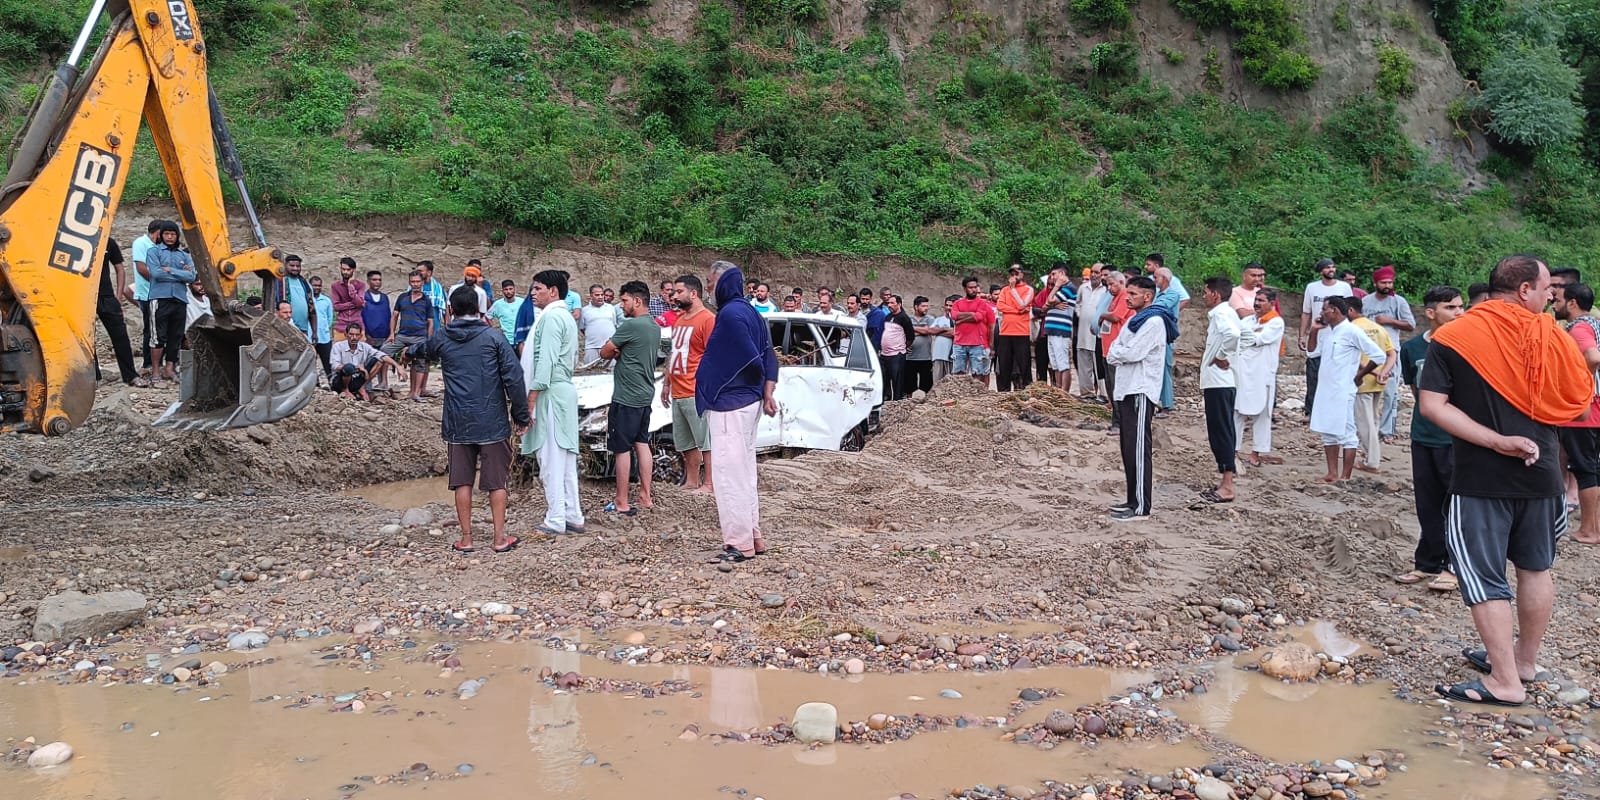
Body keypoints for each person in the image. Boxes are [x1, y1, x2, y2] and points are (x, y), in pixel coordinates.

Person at [1419, 254, 1591, 707]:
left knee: (1483, 575)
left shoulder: (1454, 336)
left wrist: (1496, 440)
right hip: (1544, 475)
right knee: (1536, 568)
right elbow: (1576, 405)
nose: (1552, 296)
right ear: (1523, 291)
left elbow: (1433, 407)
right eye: (1545, 288)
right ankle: (1525, 662)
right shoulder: (1551, 337)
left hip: (1480, 475)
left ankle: (1505, 681)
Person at [405, 286, 529, 553]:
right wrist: (521, 416)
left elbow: (422, 349)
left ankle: (467, 539)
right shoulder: (494, 338)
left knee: (462, 481)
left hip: (458, 421)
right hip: (492, 420)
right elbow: (514, 378)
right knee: (497, 481)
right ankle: (499, 539)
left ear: (451, 310)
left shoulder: (443, 337)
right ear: (478, 309)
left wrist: (407, 352)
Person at [697, 261, 778, 563]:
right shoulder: (751, 311)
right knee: (744, 473)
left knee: (729, 476)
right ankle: (753, 535)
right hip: (749, 402)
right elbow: (769, 354)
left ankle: (737, 543)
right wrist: (766, 391)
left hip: (730, 403)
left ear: (722, 282)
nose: (707, 288)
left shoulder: (730, 314)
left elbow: (751, 357)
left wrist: (755, 380)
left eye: (709, 282)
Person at [1396, 285, 1464, 592]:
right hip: (1423, 434)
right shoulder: (1412, 349)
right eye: (1450, 308)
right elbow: (1417, 391)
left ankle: (1454, 565)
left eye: (1460, 307)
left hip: (1455, 438)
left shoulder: (1466, 346)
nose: (1458, 313)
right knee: (1427, 502)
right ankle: (1427, 562)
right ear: (1430, 312)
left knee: (1455, 503)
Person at [521, 270, 585, 537]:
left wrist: (531, 398)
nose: (533, 293)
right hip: (562, 392)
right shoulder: (565, 317)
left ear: (553, 292)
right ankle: (573, 515)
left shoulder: (551, 318)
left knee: (550, 459)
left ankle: (556, 518)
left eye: (538, 288)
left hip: (550, 394)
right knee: (565, 458)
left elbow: (545, 361)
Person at [1106, 276, 1172, 520]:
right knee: (1128, 449)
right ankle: (1132, 500)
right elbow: (1114, 349)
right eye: (1128, 292)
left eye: (1133, 293)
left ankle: (1142, 506)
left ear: (1148, 296)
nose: (1128, 297)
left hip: (1141, 390)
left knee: (1139, 449)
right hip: (1126, 389)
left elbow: (1132, 352)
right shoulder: (1135, 320)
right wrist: (1120, 352)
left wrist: (1120, 352)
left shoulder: (1154, 322)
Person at [1308, 296, 1387, 483]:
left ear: (1334, 310)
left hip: (1343, 390)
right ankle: (1331, 473)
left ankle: (1345, 476)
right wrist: (1313, 330)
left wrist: (1360, 375)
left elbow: (1378, 355)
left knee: (1347, 432)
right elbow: (1311, 352)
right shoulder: (1328, 332)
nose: (1321, 313)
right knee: (1328, 431)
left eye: (1324, 309)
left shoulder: (1352, 331)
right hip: (1326, 389)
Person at [600, 281, 660, 516]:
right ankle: (645, 495)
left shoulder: (631, 326)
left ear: (637, 300)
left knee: (621, 448)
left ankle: (622, 501)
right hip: (645, 394)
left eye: (624, 300)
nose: (621, 305)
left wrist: (616, 352)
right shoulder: (653, 326)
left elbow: (605, 351)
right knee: (642, 443)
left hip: (626, 396)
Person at [1553, 283, 1600, 545]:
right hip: (1594, 407)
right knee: (1593, 467)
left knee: (1585, 469)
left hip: (1585, 411)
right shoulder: (1595, 325)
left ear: (1572, 303)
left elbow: (1592, 357)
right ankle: (1594, 527)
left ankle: (1590, 530)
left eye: (1558, 300)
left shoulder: (1579, 328)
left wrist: (1580, 383)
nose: (1554, 304)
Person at [664, 274, 717, 493]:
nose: (675, 296)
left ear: (693, 293)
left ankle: (709, 483)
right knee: (686, 442)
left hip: (696, 389)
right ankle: (692, 480)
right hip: (678, 389)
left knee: (705, 441)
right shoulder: (679, 319)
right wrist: (667, 382)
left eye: (679, 292)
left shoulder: (707, 319)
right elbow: (674, 352)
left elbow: (713, 356)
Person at [1199, 276, 1242, 502]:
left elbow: (1234, 335)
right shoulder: (1228, 313)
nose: (1204, 296)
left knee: (1221, 432)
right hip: (1220, 381)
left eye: (1206, 292)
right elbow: (1243, 335)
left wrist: (1221, 356)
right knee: (1222, 430)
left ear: (1215, 294)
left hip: (1219, 381)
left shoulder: (1221, 313)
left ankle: (1227, 485)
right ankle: (1225, 481)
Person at [1363, 266, 1416, 444]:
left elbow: (1411, 325)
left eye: (1390, 282)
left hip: (1391, 352)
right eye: (1383, 282)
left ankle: (1387, 430)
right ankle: (1367, 427)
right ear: (1375, 283)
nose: (1387, 285)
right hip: (1368, 352)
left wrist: (1390, 321)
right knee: (1365, 391)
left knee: (1390, 393)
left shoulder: (1398, 301)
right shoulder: (1365, 301)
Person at [1235, 288, 1284, 467]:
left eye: (1261, 300)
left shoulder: (1276, 323)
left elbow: (1256, 339)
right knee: (1237, 411)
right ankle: (1234, 450)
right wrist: (1246, 334)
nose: (1257, 303)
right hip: (1243, 372)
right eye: (1256, 300)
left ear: (1271, 303)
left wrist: (1246, 335)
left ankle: (1257, 452)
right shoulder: (1248, 320)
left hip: (1263, 374)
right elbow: (1237, 336)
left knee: (1263, 414)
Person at [1346, 299, 1397, 472]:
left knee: (1364, 422)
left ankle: (1372, 461)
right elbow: (1391, 354)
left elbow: (1357, 360)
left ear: (1350, 310)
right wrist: (1384, 372)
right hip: (1379, 382)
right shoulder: (1379, 328)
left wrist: (1373, 372)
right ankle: (1371, 455)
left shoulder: (1352, 329)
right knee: (1373, 420)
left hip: (1362, 380)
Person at [1299, 258, 1353, 419]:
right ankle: (1311, 410)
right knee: (1313, 373)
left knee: (1336, 375)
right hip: (1317, 336)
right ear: (1320, 271)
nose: (1331, 270)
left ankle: (1334, 409)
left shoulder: (1344, 287)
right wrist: (1302, 334)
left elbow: (1350, 311)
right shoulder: (1312, 288)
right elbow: (1306, 312)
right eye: (1327, 267)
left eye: (1333, 267)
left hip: (1338, 336)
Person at [145, 221, 195, 387]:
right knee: (158, 336)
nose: (169, 237)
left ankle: (170, 369)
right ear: (161, 235)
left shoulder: (184, 255)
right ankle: (155, 372)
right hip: (160, 297)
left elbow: (192, 277)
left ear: (177, 236)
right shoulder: (154, 252)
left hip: (179, 298)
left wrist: (171, 270)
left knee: (176, 335)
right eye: (166, 234)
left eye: (172, 234)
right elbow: (156, 273)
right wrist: (181, 274)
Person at [93, 237, 141, 386]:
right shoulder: (74, 238)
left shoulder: (108, 241)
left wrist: (118, 295)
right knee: (86, 340)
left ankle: (131, 376)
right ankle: (94, 378)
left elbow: (119, 268)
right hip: (83, 298)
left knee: (121, 336)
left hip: (107, 297)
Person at [384, 271, 436, 401]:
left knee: (420, 362)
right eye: (413, 282)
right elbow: (395, 316)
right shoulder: (402, 297)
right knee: (383, 351)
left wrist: (428, 340)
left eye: (418, 281)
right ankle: (383, 383)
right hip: (402, 335)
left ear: (422, 283)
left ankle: (415, 392)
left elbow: (430, 322)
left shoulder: (426, 300)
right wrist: (391, 333)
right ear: (409, 282)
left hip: (419, 337)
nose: (415, 284)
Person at [1150, 261, 1189, 415]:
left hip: (1165, 336)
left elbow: (1158, 308)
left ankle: (1167, 404)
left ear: (1165, 279)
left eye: (1156, 277)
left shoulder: (1172, 294)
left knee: (1165, 368)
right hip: (1157, 336)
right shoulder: (1158, 294)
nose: (1154, 280)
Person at [1098, 270, 1133, 434]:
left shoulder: (1125, 297)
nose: (1110, 288)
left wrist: (1103, 315)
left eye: (1112, 284)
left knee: (1117, 387)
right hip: (1107, 348)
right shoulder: (1113, 299)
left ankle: (1119, 423)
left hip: (1117, 349)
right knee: (1111, 387)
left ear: (1121, 282)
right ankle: (1116, 420)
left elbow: (1117, 317)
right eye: (1108, 285)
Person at [330, 323, 399, 401]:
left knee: (379, 360)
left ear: (360, 336)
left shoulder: (364, 346)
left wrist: (398, 366)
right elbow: (335, 366)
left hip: (357, 379)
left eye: (357, 335)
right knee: (348, 367)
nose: (354, 337)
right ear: (346, 335)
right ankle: (345, 390)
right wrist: (356, 368)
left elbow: (381, 355)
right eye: (351, 334)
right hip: (340, 381)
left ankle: (362, 388)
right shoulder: (338, 346)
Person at [994, 264, 1034, 392]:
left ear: (1022, 274)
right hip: (1005, 331)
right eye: (1012, 274)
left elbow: (1023, 304)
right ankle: (1004, 391)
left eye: (1016, 273)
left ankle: (1027, 390)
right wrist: (1017, 311)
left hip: (1021, 332)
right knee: (1005, 364)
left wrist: (1013, 290)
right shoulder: (1004, 290)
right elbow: (1000, 306)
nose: (1014, 276)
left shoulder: (1028, 289)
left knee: (1024, 365)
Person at [131, 219, 162, 375]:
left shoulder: (157, 247)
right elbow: (141, 268)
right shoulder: (141, 243)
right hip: (147, 294)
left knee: (160, 329)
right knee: (151, 330)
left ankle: (159, 364)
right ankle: (148, 364)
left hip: (160, 294)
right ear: (157, 232)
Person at [950, 276, 995, 383]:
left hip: (977, 343)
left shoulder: (982, 303)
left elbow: (978, 317)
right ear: (965, 289)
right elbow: (954, 315)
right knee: (958, 372)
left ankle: (975, 395)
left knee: (977, 372)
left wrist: (961, 319)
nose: (974, 290)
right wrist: (971, 314)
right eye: (971, 287)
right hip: (959, 343)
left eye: (975, 287)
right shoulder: (957, 303)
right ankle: (959, 394)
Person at [1040, 267, 1077, 392]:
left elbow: (1049, 300)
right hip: (1052, 329)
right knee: (1055, 364)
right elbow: (1045, 305)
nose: (1052, 277)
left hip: (1061, 329)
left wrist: (1056, 288)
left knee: (1063, 364)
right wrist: (1053, 304)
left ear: (1062, 274)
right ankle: (1058, 390)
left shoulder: (1068, 288)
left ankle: (1064, 392)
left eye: (1054, 274)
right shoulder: (1062, 290)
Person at [1076, 264, 1107, 400]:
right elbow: (1077, 304)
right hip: (1083, 331)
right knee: (1083, 362)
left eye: (1097, 272)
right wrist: (1080, 314)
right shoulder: (1083, 288)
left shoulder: (1106, 290)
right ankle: (1087, 393)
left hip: (1097, 334)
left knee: (1098, 363)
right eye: (1092, 272)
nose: (1093, 275)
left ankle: (1104, 394)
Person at [879, 294, 913, 400]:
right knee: (884, 379)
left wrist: (901, 347)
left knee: (897, 381)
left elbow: (910, 337)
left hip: (896, 355)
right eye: (888, 303)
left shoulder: (904, 318)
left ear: (899, 304)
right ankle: (885, 399)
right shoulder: (888, 317)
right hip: (884, 354)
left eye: (892, 303)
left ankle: (897, 401)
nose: (889, 305)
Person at [579, 284, 622, 363]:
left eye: (602, 295)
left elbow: (614, 325)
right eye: (597, 295)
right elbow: (582, 328)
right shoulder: (584, 311)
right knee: (590, 372)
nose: (600, 297)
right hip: (592, 347)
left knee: (611, 372)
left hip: (610, 347)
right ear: (591, 296)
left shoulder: (611, 308)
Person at [905, 296, 939, 396]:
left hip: (926, 357)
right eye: (923, 306)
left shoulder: (930, 319)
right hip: (910, 357)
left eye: (927, 306)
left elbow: (930, 331)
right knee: (910, 385)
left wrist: (912, 329)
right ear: (916, 307)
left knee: (926, 384)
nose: (926, 308)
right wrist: (922, 330)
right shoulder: (908, 319)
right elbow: (905, 333)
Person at [276, 254, 316, 340]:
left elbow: (312, 310)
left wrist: (314, 332)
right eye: (292, 265)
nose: (295, 268)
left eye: (298, 266)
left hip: (303, 330)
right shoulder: (279, 282)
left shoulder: (305, 284)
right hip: (284, 329)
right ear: (285, 265)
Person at [309, 276, 336, 380]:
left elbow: (329, 318)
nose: (317, 287)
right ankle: (314, 384)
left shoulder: (326, 300)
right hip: (310, 337)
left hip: (324, 337)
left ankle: (332, 383)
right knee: (310, 362)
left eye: (319, 285)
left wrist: (324, 328)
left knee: (328, 362)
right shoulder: (307, 300)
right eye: (314, 285)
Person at [331, 257, 365, 332]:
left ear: (354, 270)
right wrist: (353, 304)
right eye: (343, 269)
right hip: (341, 326)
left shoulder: (360, 285)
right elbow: (336, 307)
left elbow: (359, 304)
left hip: (357, 327)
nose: (345, 272)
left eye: (348, 270)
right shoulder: (335, 286)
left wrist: (350, 286)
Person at [930, 296, 956, 384]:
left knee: (950, 383)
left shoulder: (957, 321)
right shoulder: (938, 320)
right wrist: (946, 330)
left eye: (951, 306)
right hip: (938, 355)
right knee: (937, 382)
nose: (948, 308)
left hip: (951, 356)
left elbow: (954, 333)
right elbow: (932, 331)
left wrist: (939, 331)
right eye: (947, 305)